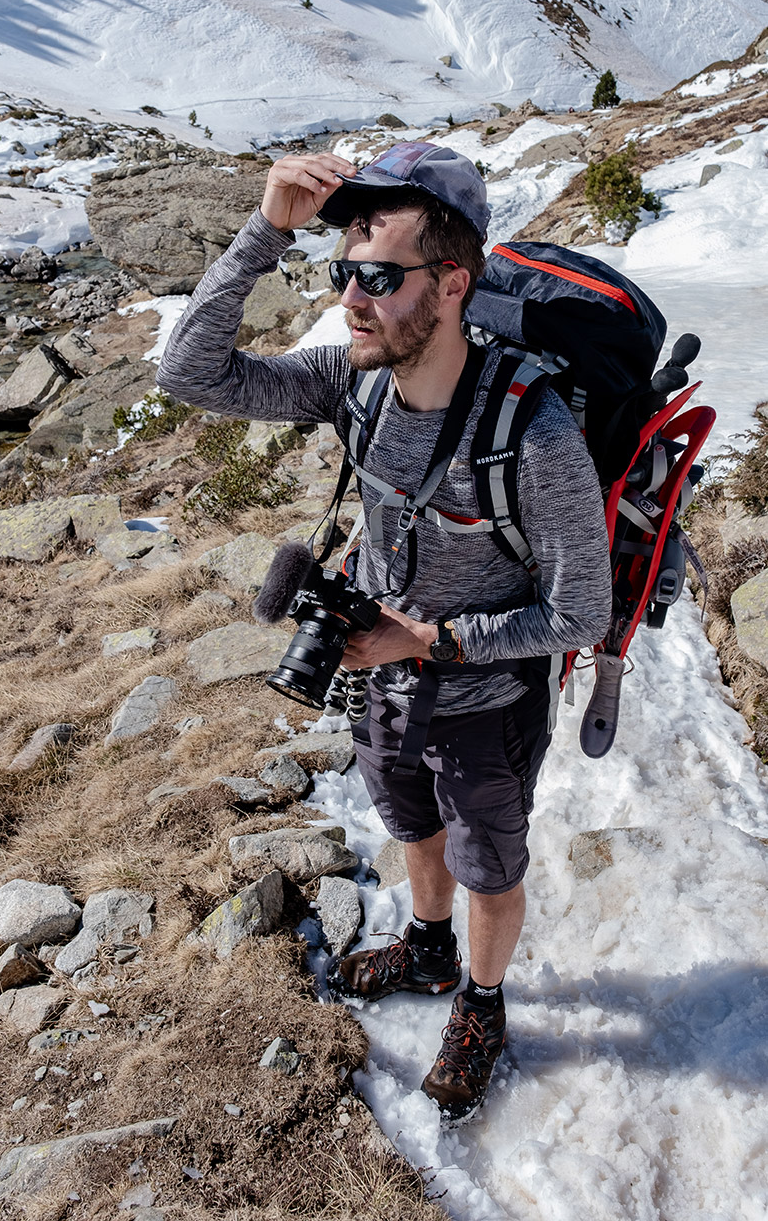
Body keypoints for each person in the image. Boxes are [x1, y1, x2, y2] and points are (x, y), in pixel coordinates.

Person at [156, 142, 611, 1121]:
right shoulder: (352, 380)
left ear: (453, 283)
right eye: (342, 271)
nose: (351, 299)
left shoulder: (534, 435)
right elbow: (188, 372)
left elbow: (581, 612)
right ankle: (429, 945)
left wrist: (432, 641)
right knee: (411, 825)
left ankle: (481, 1004)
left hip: (487, 699)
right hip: (381, 680)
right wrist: (266, 228)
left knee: (490, 863)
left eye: (379, 276)